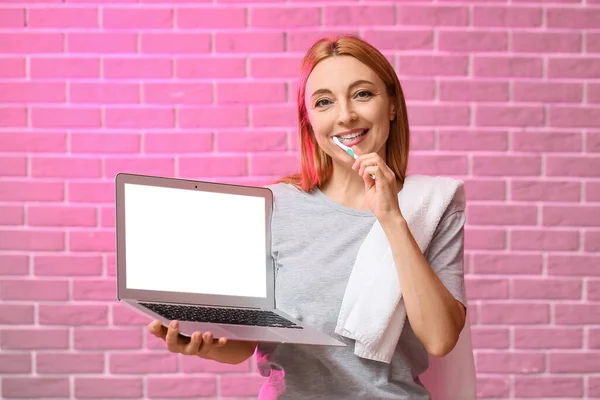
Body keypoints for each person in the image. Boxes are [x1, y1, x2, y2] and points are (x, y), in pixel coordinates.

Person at [148, 34, 467, 399]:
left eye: (363, 94)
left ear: (392, 105)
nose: (346, 115)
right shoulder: (273, 206)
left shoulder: (432, 203)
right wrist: (201, 342)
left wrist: (392, 218)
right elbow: (243, 343)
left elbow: (441, 338)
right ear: (309, 121)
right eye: (324, 102)